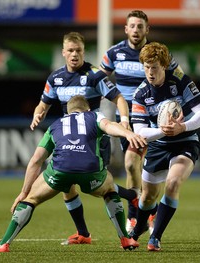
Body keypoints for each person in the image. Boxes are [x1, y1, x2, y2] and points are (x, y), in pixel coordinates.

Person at [0, 95, 146, 252]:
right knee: (109, 189)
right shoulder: (94, 116)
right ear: (88, 109)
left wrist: (23, 192)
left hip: (61, 170)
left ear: (67, 112)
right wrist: (128, 134)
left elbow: (36, 161)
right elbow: (110, 126)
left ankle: (3, 244)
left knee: (31, 199)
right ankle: (125, 238)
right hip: (90, 171)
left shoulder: (55, 124)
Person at [29, 32, 138, 245]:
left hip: (94, 140)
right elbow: (43, 103)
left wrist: (124, 121)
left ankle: (130, 201)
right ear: (63, 53)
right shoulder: (55, 78)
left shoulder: (94, 75)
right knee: (65, 186)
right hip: (67, 140)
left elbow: (119, 98)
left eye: (78, 50)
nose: (74, 54)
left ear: (83, 52)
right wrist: (38, 112)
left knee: (102, 188)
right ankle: (84, 234)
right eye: (70, 50)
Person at [99, 10, 181, 233]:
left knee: (152, 169)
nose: (136, 30)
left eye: (140, 26)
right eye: (132, 26)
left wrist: (179, 106)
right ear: (126, 29)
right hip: (128, 120)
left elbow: (179, 78)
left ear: (147, 29)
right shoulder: (114, 53)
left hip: (157, 119)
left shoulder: (158, 54)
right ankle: (135, 216)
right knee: (129, 165)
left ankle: (150, 213)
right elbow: (98, 80)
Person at [130, 42, 200, 251]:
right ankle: (139, 227)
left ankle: (155, 236)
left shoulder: (181, 82)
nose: (150, 72)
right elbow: (139, 131)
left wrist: (182, 127)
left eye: (154, 67)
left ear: (164, 65)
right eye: (146, 67)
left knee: (173, 183)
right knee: (147, 197)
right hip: (158, 145)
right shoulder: (140, 93)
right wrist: (163, 131)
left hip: (185, 141)